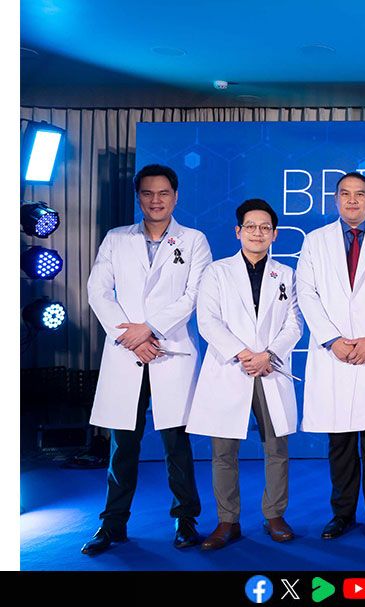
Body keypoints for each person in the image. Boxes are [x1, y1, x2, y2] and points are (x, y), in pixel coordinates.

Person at [82, 164, 210, 555]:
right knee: (122, 445)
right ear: (139, 197)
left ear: (176, 197)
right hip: (128, 352)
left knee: (176, 444)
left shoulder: (194, 240)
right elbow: (98, 290)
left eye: (163, 193)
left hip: (171, 352)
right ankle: (112, 525)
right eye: (148, 193)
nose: (156, 200)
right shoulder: (116, 239)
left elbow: (194, 296)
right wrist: (133, 338)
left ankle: (185, 520)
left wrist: (150, 329)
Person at [296, 171, 365, 540]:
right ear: (335, 199)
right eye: (345, 194)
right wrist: (332, 339)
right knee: (340, 443)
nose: (352, 200)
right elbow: (306, 293)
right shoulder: (315, 241)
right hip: (336, 353)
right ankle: (342, 513)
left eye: (360, 194)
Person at [186, 199, 303, 550]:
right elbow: (208, 321)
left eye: (265, 228)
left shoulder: (286, 275)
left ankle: (275, 515)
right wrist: (243, 354)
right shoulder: (217, 272)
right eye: (250, 226)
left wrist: (268, 355)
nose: (257, 233)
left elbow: (295, 323)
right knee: (223, 451)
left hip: (270, 368)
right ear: (238, 231)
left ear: (275, 234)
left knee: (276, 447)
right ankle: (227, 521)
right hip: (230, 368)